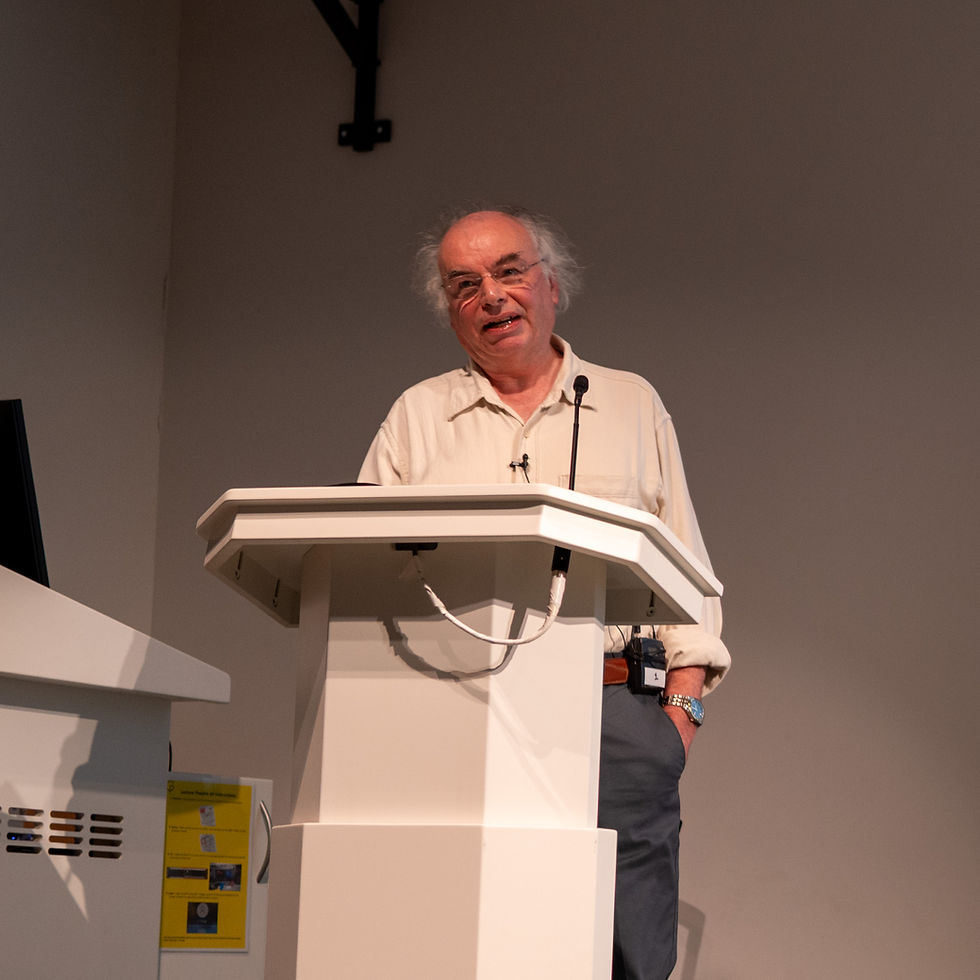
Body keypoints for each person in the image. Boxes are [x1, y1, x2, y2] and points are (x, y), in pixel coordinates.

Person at [358, 206, 731, 980]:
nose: (491, 295)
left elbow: (689, 576)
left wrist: (679, 717)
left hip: (615, 707)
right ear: (450, 311)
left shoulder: (631, 404)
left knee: (627, 948)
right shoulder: (416, 417)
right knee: (466, 934)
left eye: (509, 272)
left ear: (552, 285)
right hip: (457, 709)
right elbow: (360, 574)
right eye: (464, 284)